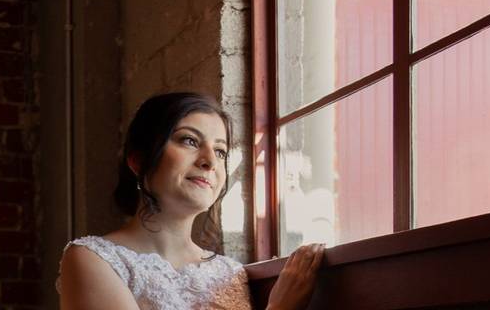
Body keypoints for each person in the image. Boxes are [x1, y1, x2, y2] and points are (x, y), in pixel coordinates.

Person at [57, 92, 324, 309]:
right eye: (190, 141)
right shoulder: (93, 259)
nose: (210, 161)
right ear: (138, 160)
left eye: (220, 151)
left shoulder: (230, 273)